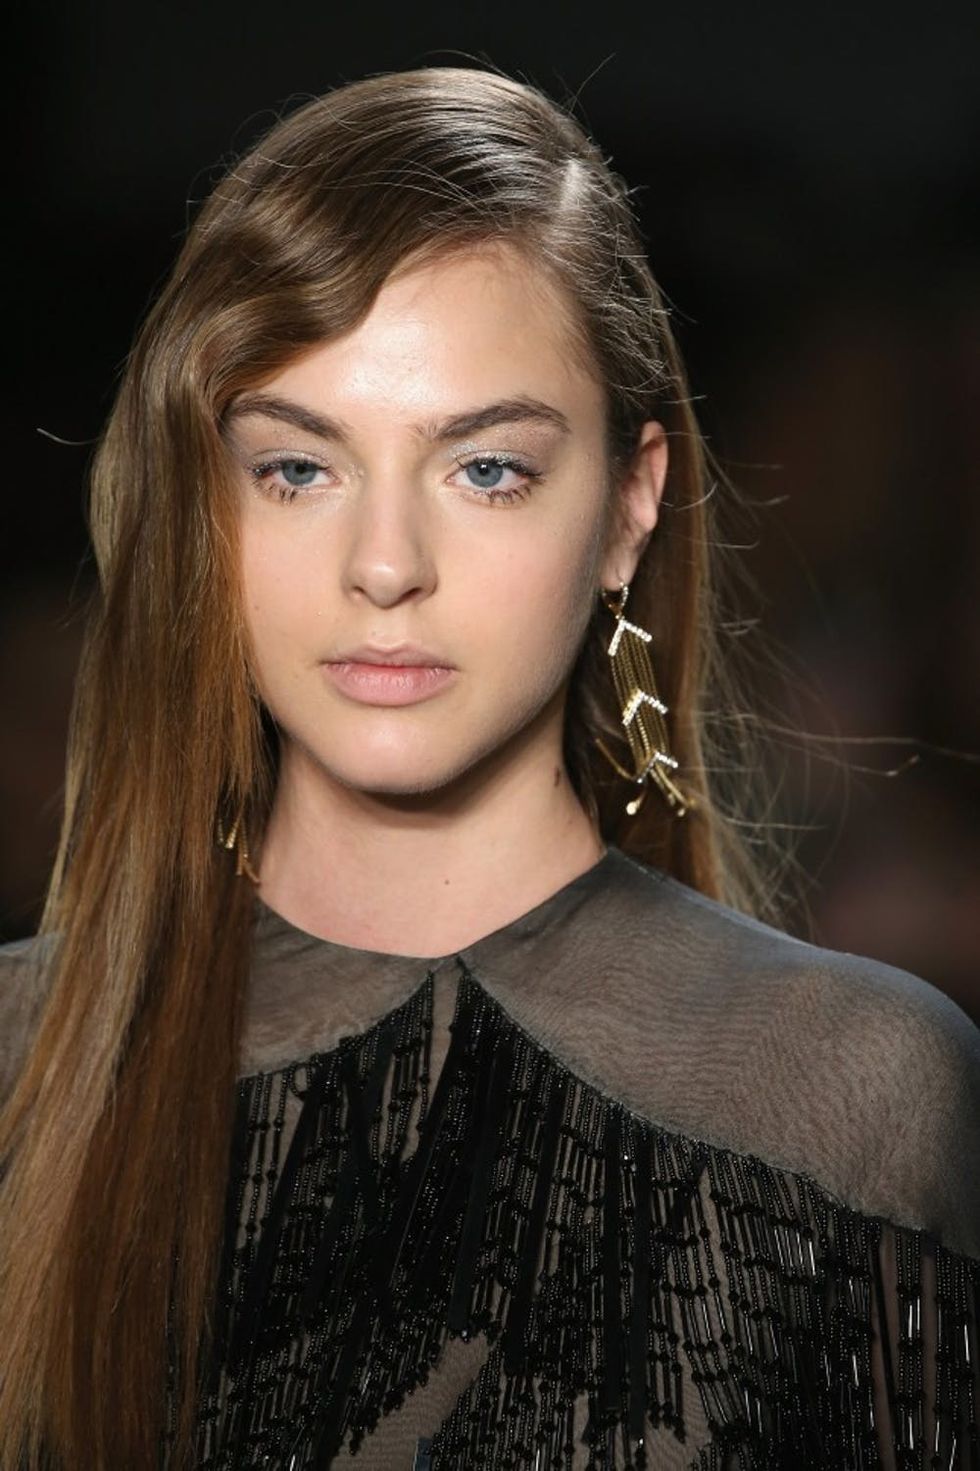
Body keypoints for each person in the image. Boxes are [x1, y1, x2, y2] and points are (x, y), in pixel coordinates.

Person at [0, 65, 977, 1471]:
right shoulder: (30, 1078)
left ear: (631, 506)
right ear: (202, 509)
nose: (385, 567)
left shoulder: (854, 1093)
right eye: (296, 470)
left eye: (487, 470)